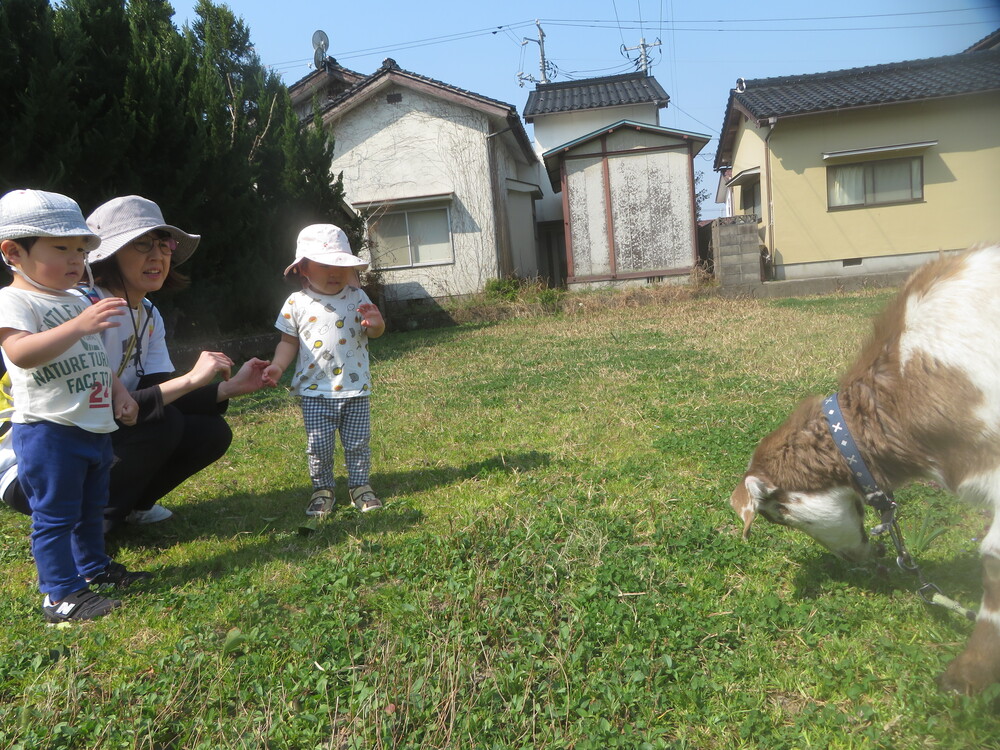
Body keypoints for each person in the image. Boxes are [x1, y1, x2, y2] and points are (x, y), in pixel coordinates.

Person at [0, 195, 270, 531]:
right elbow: (102, 407)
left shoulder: (148, 314)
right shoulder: (80, 309)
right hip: (38, 465)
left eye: (164, 244)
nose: (157, 255)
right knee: (163, 421)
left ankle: (132, 506)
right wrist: (191, 379)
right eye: (141, 244)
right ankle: (94, 526)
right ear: (109, 254)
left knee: (209, 431)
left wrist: (229, 387)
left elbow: (149, 393)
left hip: (91, 441)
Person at [0, 188, 150, 622]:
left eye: (81, 250)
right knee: (55, 516)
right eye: (61, 248)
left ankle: (94, 570)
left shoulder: (76, 299)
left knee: (90, 509)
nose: (76, 260)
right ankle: (59, 594)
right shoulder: (15, 300)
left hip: (93, 426)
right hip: (48, 430)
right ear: (13, 252)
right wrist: (80, 325)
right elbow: (22, 352)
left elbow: (98, 360)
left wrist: (120, 393)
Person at [262, 224, 386, 516]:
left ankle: (360, 487)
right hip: (315, 391)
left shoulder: (358, 297)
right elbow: (287, 343)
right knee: (319, 447)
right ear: (303, 268)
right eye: (324, 265)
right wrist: (278, 367)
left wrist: (377, 324)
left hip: (355, 388)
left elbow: (375, 333)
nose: (334, 273)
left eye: (340, 265)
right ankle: (323, 490)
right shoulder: (296, 303)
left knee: (358, 444)